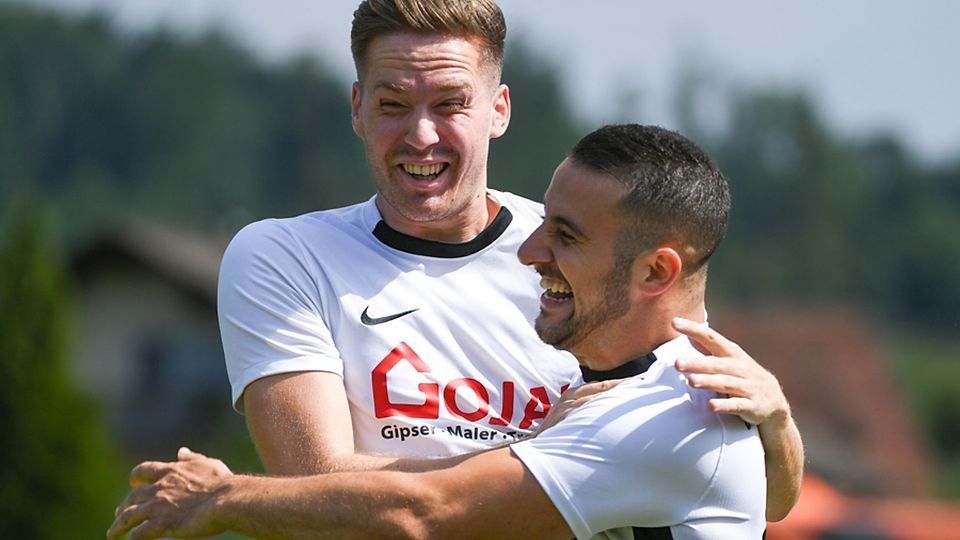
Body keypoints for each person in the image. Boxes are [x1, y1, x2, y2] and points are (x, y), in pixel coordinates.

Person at [218, 0, 801, 518]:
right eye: (393, 103)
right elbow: (313, 491)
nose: (421, 134)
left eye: (450, 104)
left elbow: (752, 489)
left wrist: (777, 424)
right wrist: (543, 456)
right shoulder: (285, 256)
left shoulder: (580, 253)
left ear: (498, 110)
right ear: (357, 108)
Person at [110, 124, 771, 539]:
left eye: (565, 236)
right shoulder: (663, 389)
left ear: (657, 272)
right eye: (543, 220)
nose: (529, 249)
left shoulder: (660, 416)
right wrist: (782, 428)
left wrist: (223, 498)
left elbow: (419, 514)